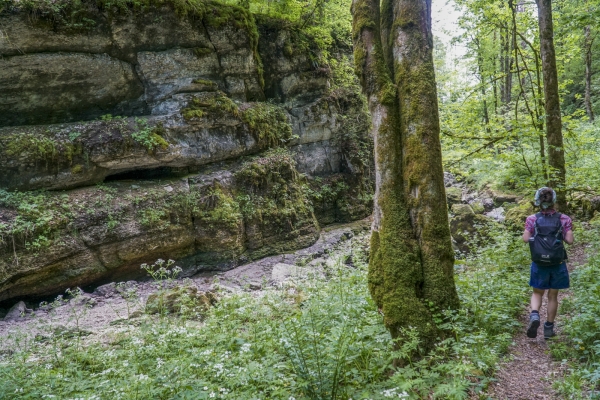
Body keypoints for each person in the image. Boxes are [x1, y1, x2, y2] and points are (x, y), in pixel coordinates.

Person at [522, 187, 573, 339]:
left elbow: (525, 239)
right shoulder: (564, 219)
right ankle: (549, 328)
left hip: (539, 263)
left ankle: (535, 314)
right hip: (557, 263)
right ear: (554, 200)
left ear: (537, 200)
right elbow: (569, 240)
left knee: (537, 292)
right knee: (553, 296)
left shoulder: (532, 219)